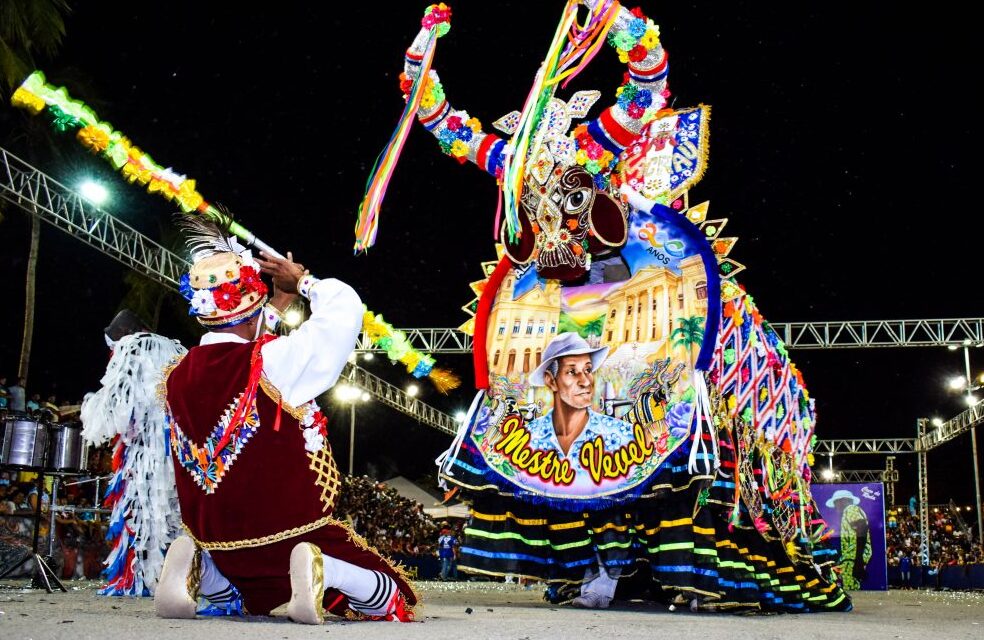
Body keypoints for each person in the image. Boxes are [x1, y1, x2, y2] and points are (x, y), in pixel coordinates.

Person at [155, 227, 415, 624]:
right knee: (395, 595)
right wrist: (303, 281)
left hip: (221, 543)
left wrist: (276, 304)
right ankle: (326, 568)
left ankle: (202, 569)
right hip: (290, 535)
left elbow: (243, 348)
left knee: (243, 598)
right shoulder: (273, 361)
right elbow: (344, 312)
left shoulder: (178, 374)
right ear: (252, 309)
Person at [80, 308, 187, 596]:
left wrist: (90, 414)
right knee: (173, 515)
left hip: (144, 448)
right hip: (178, 448)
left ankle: (140, 579)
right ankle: (179, 577)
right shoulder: (177, 348)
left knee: (141, 512)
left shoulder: (132, 345)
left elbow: (116, 402)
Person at [826, 489, 872, 590]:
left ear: (843, 500)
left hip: (854, 557)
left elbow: (862, 528)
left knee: (850, 587)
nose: (835, 506)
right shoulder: (849, 512)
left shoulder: (850, 509)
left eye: (836, 502)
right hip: (852, 556)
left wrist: (858, 560)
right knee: (850, 584)